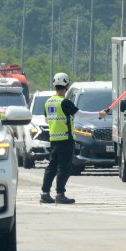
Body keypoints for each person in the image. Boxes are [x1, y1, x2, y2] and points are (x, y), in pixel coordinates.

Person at [41, 72, 108, 204]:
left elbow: (46, 119)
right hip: (65, 140)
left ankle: (45, 193)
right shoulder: (64, 102)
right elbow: (80, 114)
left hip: (53, 140)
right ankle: (60, 194)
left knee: (52, 167)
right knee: (64, 168)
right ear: (67, 85)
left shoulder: (48, 102)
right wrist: (99, 114)